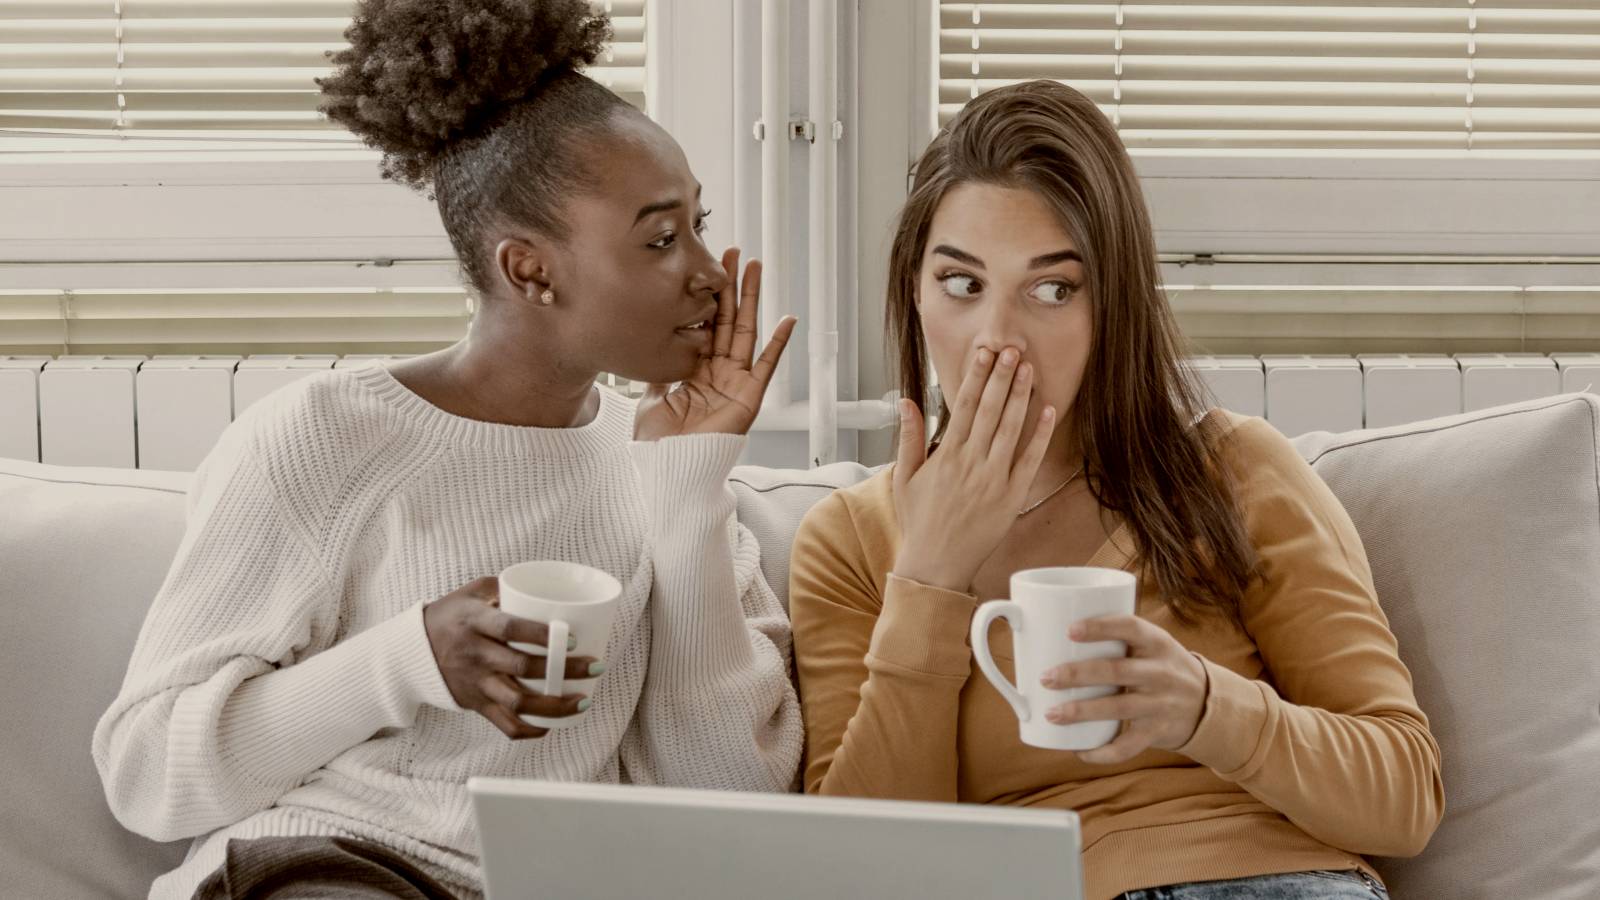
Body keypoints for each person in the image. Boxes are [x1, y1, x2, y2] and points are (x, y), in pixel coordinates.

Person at [92, 1, 802, 897]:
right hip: (332, 865)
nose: (708, 270)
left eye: (699, 223)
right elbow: (145, 772)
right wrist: (409, 659)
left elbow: (732, 795)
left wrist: (690, 487)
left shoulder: (667, 467)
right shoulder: (321, 440)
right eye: (661, 238)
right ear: (529, 270)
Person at [788, 80, 1444, 900]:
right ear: (916, 295)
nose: (998, 339)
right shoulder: (849, 542)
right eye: (963, 285)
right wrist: (929, 579)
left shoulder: (1231, 472)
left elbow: (1405, 795)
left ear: (1114, 303)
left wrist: (1207, 709)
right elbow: (861, 873)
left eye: (1053, 288)